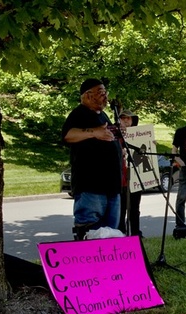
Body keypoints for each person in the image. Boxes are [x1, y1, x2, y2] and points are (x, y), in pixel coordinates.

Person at [61, 78, 123, 240]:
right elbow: (68, 135)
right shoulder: (79, 114)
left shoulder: (102, 115)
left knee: (110, 236)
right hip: (91, 187)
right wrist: (94, 132)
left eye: (105, 93)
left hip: (112, 187)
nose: (105, 97)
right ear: (88, 95)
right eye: (101, 92)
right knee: (90, 234)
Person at [117, 109, 144, 237]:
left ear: (133, 121)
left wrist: (150, 145)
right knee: (120, 208)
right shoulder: (114, 136)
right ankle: (120, 232)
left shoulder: (140, 137)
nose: (125, 121)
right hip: (120, 178)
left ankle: (135, 232)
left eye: (128, 118)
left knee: (134, 207)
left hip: (135, 177)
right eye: (123, 118)